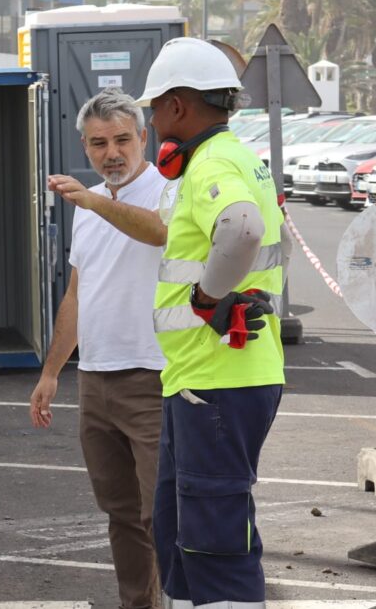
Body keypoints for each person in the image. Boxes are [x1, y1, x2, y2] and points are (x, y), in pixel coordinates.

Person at [134, 38, 285, 608]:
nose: (150, 121)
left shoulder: (214, 163)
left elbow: (242, 229)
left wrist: (206, 296)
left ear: (177, 106)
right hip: (203, 378)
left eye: (153, 108)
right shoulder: (238, 158)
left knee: (217, 548)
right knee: (182, 539)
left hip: (219, 380)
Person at [29, 88, 168, 609]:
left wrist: (93, 200)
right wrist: (50, 374)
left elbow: (159, 234)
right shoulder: (86, 209)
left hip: (152, 376)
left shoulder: (166, 190)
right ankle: (139, 604)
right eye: (98, 143)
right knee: (121, 513)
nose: (111, 152)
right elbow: (77, 293)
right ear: (85, 148)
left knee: (163, 514)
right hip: (96, 378)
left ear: (143, 138)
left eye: (122, 140)